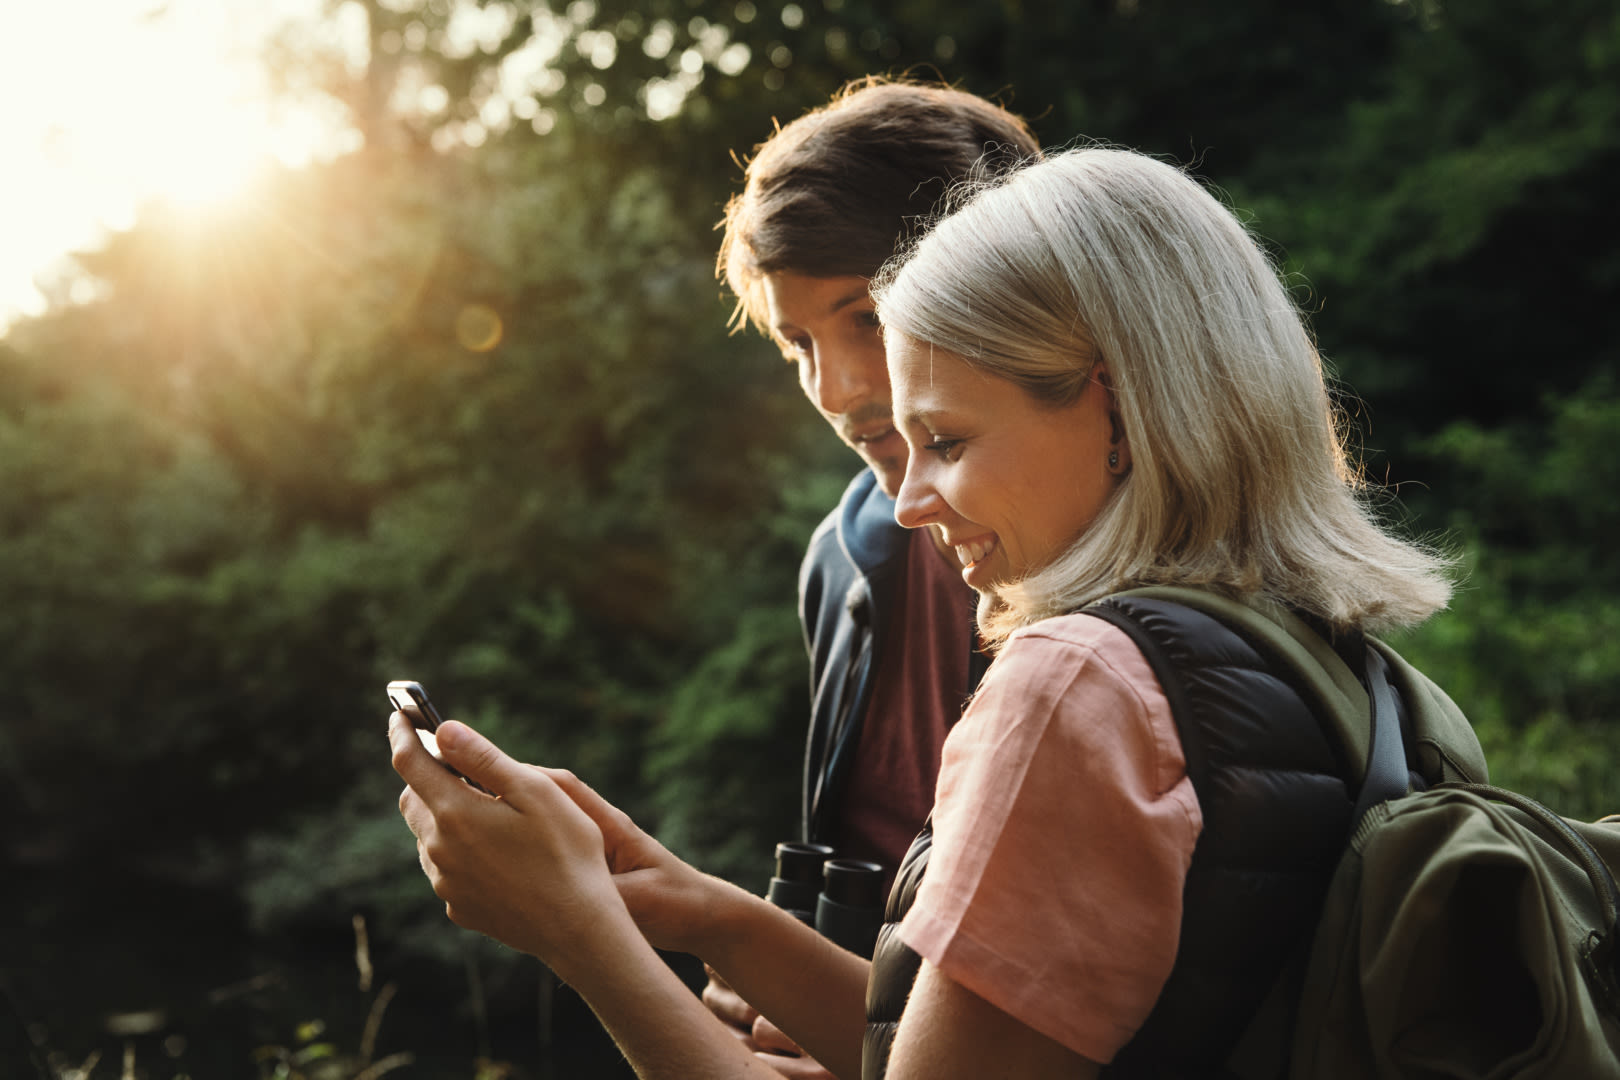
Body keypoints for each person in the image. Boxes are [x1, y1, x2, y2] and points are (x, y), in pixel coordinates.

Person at [391, 146, 1475, 1078]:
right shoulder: (1342, 667)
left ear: (1120, 408)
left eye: (947, 442)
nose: (907, 503)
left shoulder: (1076, 685)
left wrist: (577, 934)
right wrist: (711, 915)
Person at [705, 78, 1038, 1075]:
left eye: (868, 315)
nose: (841, 392)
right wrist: (777, 974)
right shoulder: (847, 557)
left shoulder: (1149, 593)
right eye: (797, 342)